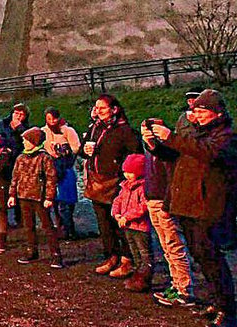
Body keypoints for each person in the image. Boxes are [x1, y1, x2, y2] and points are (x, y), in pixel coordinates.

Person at [146, 89, 236, 327]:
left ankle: (229, 310)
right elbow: (176, 155)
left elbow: (208, 153)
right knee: (201, 256)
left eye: (202, 110)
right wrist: (154, 143)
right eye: (195, 110)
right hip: (190, 205)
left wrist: (172, 137)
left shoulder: (226, 136)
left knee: (212, 258)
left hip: (208, 207)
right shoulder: (200, 135)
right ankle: (219, 302)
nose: (197, 114)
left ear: (217, 112)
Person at [82, 94, 141, 278]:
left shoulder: (125, 131)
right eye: (96, 107)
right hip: (96, 181)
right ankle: (111, 256)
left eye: (102, 108)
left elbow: (136, 156)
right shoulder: (95, 128)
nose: (98, 111)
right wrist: (85, 150)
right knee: (104, 223)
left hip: (115, 182)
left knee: (118, 222)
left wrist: (126, 175)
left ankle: (127, 260)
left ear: (114, 109)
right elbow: (83, 150)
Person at [140, 120, 195, 308]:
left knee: (175, 246)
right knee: (166, 247)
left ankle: (185, 289)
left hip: (164, 202)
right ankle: (176, 284)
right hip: (153, 199)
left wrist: (167, 203)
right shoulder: (150, 150)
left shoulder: (170, 151)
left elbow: (172, 178)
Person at [8, 128, 62, 268]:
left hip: (40, 197)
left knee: (47, 226)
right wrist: (12, 194)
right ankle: (31, 251)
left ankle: (56, 254)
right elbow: (15, 177)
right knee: (28, 226)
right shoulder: (21, 158)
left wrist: (49, 197)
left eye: (26, 140)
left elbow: (51, 178)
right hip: (23, 196)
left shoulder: (44, 158)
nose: (24, 142)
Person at [111, 154, 153, 292]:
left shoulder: (143, 187)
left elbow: (143, 207)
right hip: (128, 226)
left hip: (140, 227)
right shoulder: (125, 187)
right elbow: (118, 200)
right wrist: (116, 213)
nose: (127, 175)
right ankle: (137, 276)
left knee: (144, 253)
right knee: (135, 252)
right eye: (125, 172)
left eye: (131, 172)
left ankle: (144, 278)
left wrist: (127, 216)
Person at [42, 108, 81, 239]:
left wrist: (64, 150)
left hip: (65, 166)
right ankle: (60, 227)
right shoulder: (43, 131)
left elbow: (76, 148)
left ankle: (69, 228)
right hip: (50, 167)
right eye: (49, 119)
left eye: (54, 118)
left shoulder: (68, 130)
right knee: (53, 198)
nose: (52, 121)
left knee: (67, 200)